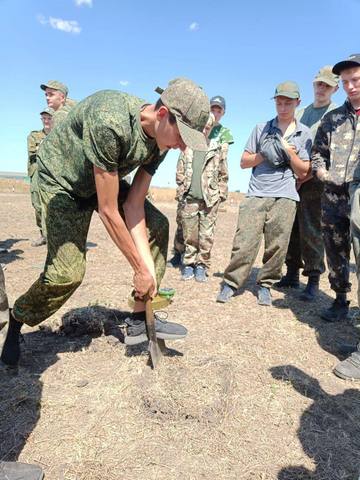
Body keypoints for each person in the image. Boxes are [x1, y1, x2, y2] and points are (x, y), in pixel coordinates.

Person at [0, 77, 210, 367]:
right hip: (63, 184)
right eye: (182, 136)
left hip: (101, 181)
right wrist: (138, 266)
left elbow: (133, 203)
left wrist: (146, 271)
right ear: (163, 115)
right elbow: (109, 209)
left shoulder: (160, 142)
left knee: (157, 226)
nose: (182, 146)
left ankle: (139, 317)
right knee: (66, 275)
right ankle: (18, 317)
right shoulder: (110, 120)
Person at [216, 81, 311, 306]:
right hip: (257, 192)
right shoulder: (261, 128)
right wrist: (264, 154)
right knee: (245, 241)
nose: (283, 107)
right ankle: (231, 283)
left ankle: (266, 284)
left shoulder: (303, 132)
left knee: (277, 245)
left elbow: (304, 170)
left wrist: (288, 154)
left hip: (286, 195)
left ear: (297, 102)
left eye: (288, 103)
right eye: (279, 102)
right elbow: (243, 162)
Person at [276, 66, 339, 301]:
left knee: (312, 230)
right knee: (291, 227)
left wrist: (306, 176)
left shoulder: (335, 114)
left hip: (316, 183)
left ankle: (313, 279)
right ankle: (291, 273)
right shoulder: (300, 113)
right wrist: (294, 176)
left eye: (326, 85)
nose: (321, 89)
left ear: (335, 88)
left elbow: (331, 153)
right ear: (313, 84)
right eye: (318, 84)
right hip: (293, 179)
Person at [317, 54, 360, 380]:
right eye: (345, 81)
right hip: (333, 199)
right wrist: (321, 172)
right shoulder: (332, 119)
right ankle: (340, 299)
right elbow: (318, 152)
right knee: (335, 251)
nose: (350, 86)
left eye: (355, 79)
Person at [167, 95, 233, 268]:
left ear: (223, 113)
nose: (215, 112)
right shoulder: (195, 130)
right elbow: (183, 158)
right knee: (183, 221)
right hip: (190, 185)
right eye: (213, 109)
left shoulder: (224, 133)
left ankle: (199, 262)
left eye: (219, 110)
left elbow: (222, 163)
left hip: (208, 185)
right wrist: (181, 184)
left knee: (204, 230)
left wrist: (220, 191)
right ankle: (179, 253)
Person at [175, 113, 228, 282]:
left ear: (211, 128)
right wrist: (182, 189)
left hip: (210, 200)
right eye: (202, 125)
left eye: (208, 126)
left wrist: (220, 195)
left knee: (206, 236)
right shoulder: (187, 147)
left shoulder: (216, 148)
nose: (205, 128)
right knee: (190, 235)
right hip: (190, 199)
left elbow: (223, 174)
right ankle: (189, 265)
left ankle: (201, 266)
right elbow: (180, 171)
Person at [27, 107, 54, 246]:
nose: (46, 121)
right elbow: (33, 151)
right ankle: (43, 234)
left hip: (54, 173)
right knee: (38, 205)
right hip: (37, 171)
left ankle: (53, 236)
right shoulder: (34, 136)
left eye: (49, 118)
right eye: (44, 118)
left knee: (53, 205)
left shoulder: (58, 134)